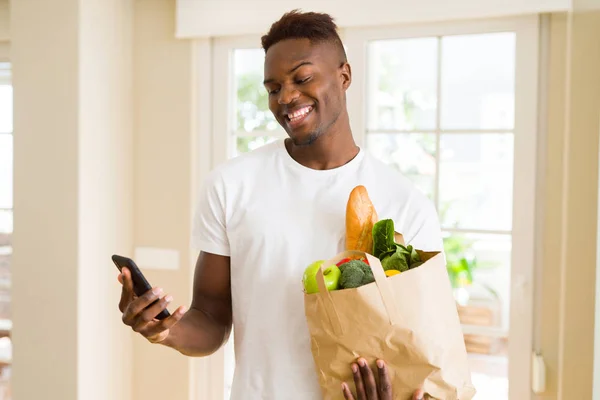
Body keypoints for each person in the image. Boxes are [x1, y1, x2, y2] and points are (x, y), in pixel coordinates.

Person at [118, 10, 442, 400]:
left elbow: (425, 350)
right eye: (273, 88)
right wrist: (166, 330)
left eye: (302, 79)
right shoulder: (231, 185)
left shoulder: (406, 203)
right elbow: (211, 323)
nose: (286, 98)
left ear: (344, 76)